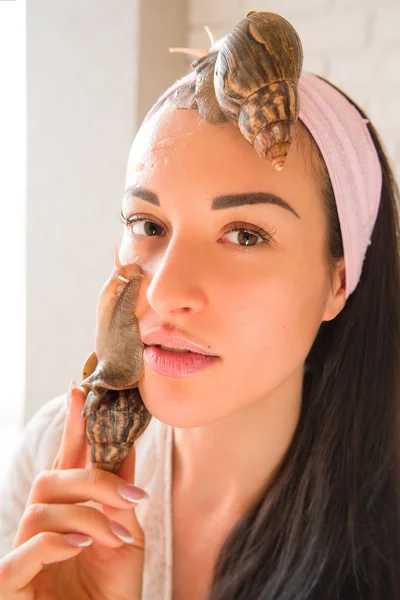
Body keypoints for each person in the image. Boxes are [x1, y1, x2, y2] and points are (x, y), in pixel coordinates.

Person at [1, 13, 400, 600]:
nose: (164, 293)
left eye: (245, 235)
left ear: (339, 281)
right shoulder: (58, 463)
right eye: (149, 224)